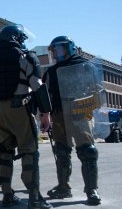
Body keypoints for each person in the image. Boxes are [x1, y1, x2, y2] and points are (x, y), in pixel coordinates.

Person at [0, 25, 52, 208]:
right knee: (29, 151)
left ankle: (7, 195)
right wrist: (45, 114)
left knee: (4, 152)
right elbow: (37, 85)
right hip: (20, 109)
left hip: (0, 110)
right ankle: (34, 198)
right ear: (16, 38)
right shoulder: (25, 56)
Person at [41, 36, 101, 205]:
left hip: (81, 112)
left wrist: (91, 104)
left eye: (59, 49)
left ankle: (91, 190)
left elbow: (97, 89)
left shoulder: (84, 66)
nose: (56, 53)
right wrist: (45, 115)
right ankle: (63, 186)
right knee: (61, 151)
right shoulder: (51, 72)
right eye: (53, 50)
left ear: (69, 48)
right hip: (59, 114)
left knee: (88, 151)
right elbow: (46, 95)